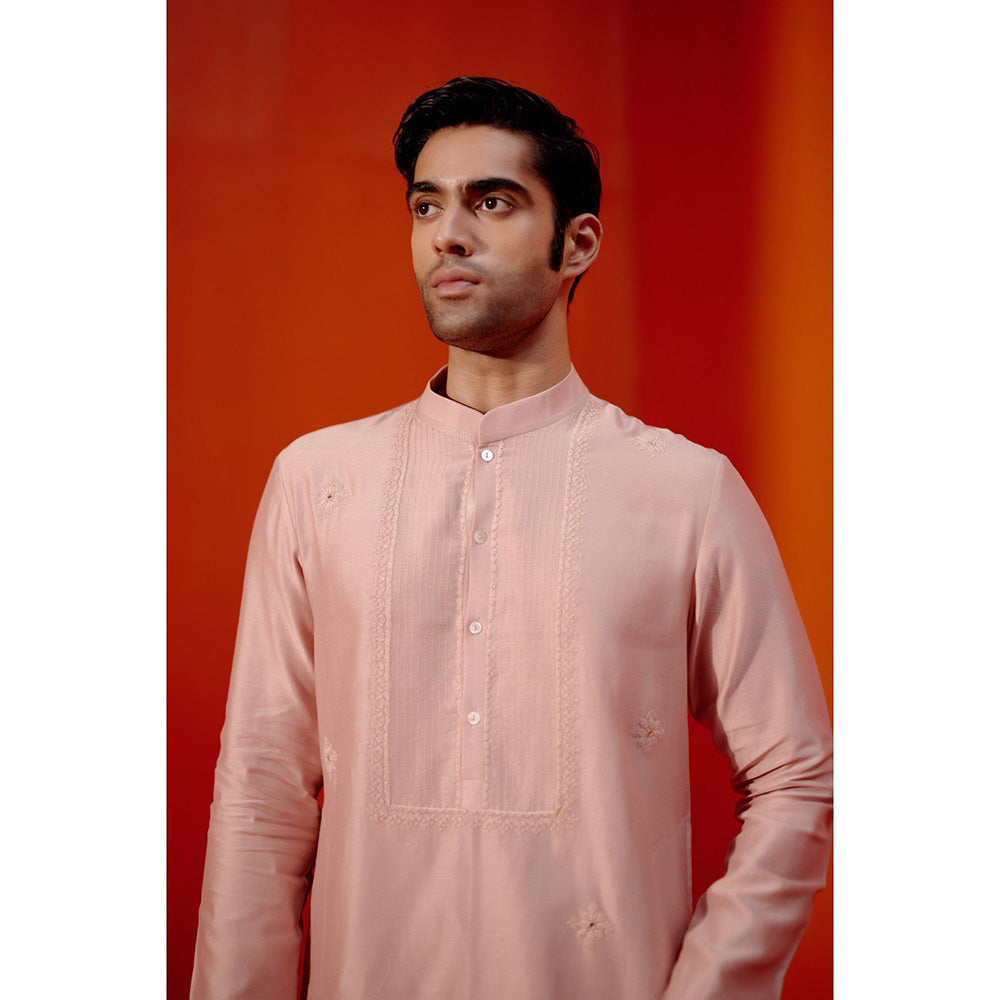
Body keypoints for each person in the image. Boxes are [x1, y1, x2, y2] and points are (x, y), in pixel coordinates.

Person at [190, 75, 833, 1000]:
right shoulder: (318, 481)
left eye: (491, 202)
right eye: (426, 205)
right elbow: (260, 787)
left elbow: (796, 775)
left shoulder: (686, 489)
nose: (448, 234)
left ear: (578, 243)